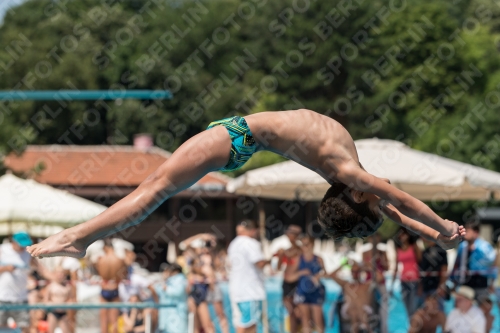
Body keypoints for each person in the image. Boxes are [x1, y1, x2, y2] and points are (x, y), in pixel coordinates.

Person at [27, 110, 465, 259]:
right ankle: (80, 237)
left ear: (355, 196)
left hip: (236, 138)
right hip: (239, 140)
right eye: (379, 202)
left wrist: (442, 229)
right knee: (157, 188)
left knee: (156, 188)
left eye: (375, 200)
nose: (383, 193)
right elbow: (400, 207)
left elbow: (396, 201)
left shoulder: (348, 173)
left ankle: (79, 238)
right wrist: (438, 233)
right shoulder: (349, 175)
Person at [227, 220, 269, 333]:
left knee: (242, 321)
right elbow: (259, 263)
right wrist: (271, 259)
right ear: (253, 230)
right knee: (248, 324)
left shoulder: (233, 243)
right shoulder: (250, 243)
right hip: (250, 291)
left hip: (236, 290)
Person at [451, 222, 496, 301]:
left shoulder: (484, 247)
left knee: (481, 309)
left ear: (476, 233)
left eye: (468, 231)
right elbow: (456, 265)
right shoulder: (462, 247)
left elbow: (493, 265)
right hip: (465, 284)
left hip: (481, 285)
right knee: (463, 309)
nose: (465, 233)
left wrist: (492, 284)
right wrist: (454, 283)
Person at [0, 232, 35, 333]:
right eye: (21, 245)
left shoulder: (28, 254)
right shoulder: (2, 250)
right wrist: (5, 268)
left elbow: (41, 270)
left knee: (25, 327)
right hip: (2, 297)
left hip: (21, 298)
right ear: (14, 242)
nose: (23, 247)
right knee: (2, 327)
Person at [290, 235, 325, 333]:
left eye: (307, 244)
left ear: (312, 245)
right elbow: (289, 276)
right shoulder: (298, 259)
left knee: (318, 319)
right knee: (305, 319)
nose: (304, 247)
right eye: (303, 245)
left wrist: (319, 275)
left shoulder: (318, 259)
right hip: (302, 291)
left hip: (316, 291)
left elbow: (325, 273)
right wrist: (301, 272)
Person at [331, 261, 375, 333]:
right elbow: (331, 275)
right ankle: (367, 328)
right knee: (354, 311)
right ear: (351, 273)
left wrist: (366, 266)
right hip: (350, 309)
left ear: (361, 272)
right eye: (353, 272)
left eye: (357, 271)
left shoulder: (366, 285)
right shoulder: (347, 284)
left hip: (364, 309)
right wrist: (343, 265)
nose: (355, 274)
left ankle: (361, 327)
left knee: (357, 310)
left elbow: (380, 277)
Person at [95, 238, 128, 333]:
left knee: (103, 322)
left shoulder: (100, 260)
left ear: (105, 247)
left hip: (104, 289)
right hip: (115, 289)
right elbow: (123, 276)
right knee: (114, 322)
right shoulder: (120, 260)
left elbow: (101, 275)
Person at [274, 225, 302, 333]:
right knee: (291, 312)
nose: (289, 236)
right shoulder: (286, 251)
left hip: (297, 283)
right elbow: (278, 267)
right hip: (287, 283)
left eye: (291, 234)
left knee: (298, 312)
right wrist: (281, 255)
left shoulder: (300, 250)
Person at [391, 228, 421, 318]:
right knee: (407, 307)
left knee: (413, 306)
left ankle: (415, 326)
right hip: (403, 280)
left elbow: (420, 261)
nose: (402, 236)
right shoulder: (398, 249)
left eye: (404, 234)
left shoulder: (414, 246)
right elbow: (396, 267)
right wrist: (392, 283)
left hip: (414, 279)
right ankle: (412, 326)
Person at [155, 264, 189, 333]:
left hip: (177, 313)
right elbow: (158, 290)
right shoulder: (168, 280)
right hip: (167, 314)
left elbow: (178, 292)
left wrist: (166, 289)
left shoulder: (181, 279)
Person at [419, 238, 448, 309]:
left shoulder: (441, 251)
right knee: (427, 312)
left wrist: (441, 286)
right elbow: (422, 271)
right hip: (426, 287)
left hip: (436, 287)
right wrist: (421, 286)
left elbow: (444, 269)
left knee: (438, 311)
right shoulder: (425, 251)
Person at [43, 267, 74, 333]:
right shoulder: (51, 286)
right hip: (53, 312)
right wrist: (51, 305)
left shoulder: (67, 287)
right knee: (51, 331)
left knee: (66, 331)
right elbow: (46, 300)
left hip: (63, 313)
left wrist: (68, 304)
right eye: (58, 274)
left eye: (61, 274)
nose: (60, 276)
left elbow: (71, 299)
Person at [187, 257, 214, 333]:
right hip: (193, 300)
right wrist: (189, 283)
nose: (200, 266)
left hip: (202, 300)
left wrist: (210, 280)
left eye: (201, 263)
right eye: (197, 264)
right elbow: (187, 291)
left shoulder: (206, 275)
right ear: (193, 266)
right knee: (195, 326)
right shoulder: (191, 276)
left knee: (207, 325)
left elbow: (212, 289)